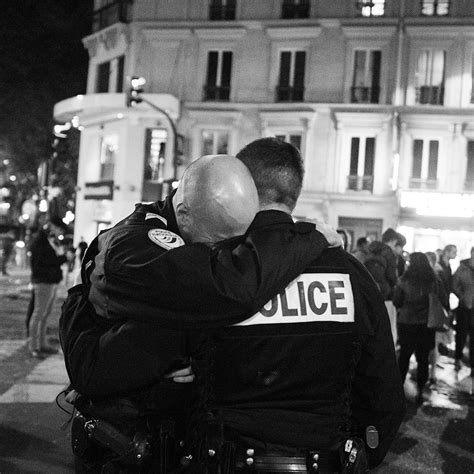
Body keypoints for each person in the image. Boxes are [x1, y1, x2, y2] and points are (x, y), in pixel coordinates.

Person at [64, 153, 336, 472]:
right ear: (184, 213)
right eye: (218, 241)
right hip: (121, 447)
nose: (222, 252)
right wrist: (307, 239)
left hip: (157, 437)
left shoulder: (174, 230)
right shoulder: (134, 251)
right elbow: (230, 291)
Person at [183, 138, 405, 472]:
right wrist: (360, 453)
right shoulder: (350, 273)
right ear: (293, 192)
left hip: (227, 456)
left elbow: (180, 369)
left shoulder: (220, 269)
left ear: (241, 185)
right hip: (324, 457)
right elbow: (383, 390)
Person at [393, 252, 449, 403]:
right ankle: (420, 390)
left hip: (406, 322)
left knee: (404, 356)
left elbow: (397, 301)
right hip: (426, 324)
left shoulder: (404, 280)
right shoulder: (434, 280)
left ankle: (397, 390)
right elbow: (444, 300)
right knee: (423, 358)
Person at [28, 220, 68, 358]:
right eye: (59, 230)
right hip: (43, 281)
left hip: (50, 281)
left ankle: (42, 344)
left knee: (44, 315)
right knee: (38, 314)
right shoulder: (40, 242)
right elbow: (42, 263)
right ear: (52, 226)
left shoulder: (49, 241)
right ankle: (34, 346)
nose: (60, 233)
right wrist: (62, 259)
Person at [364, 228, 399, 347]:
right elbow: (391, 275)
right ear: (393, 241)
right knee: (385, 326)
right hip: (385, 294)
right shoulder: (389, 252)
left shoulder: (371, 250)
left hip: (369, 290)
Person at [452, 246, 474, 374]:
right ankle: (458, 358)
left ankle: (472, 365)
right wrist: (462, 296)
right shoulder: (463, 268)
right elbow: (454, 284)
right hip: (464, 307)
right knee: (461, 335)